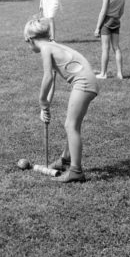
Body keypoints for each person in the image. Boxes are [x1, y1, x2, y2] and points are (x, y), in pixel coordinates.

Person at [24, 15, 99, 183]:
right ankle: (65, 160)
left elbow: (48, 78)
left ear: (30, 39)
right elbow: (54, 81)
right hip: (88, 82)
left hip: (83, 83)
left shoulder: (45, 49)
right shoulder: (53, 46)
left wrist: (41, 101)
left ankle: (76, 172)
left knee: (70, 125)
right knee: (74, 124)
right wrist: (46, 107)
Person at [94, 0, 125, 79]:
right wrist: (115, 18)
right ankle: (120, 73)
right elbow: (122, 11)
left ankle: (103, 73)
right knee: (116, 47)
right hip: (116, 21)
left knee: (105, 49)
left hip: (106, 22)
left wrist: (97, 28)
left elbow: (103, 12)